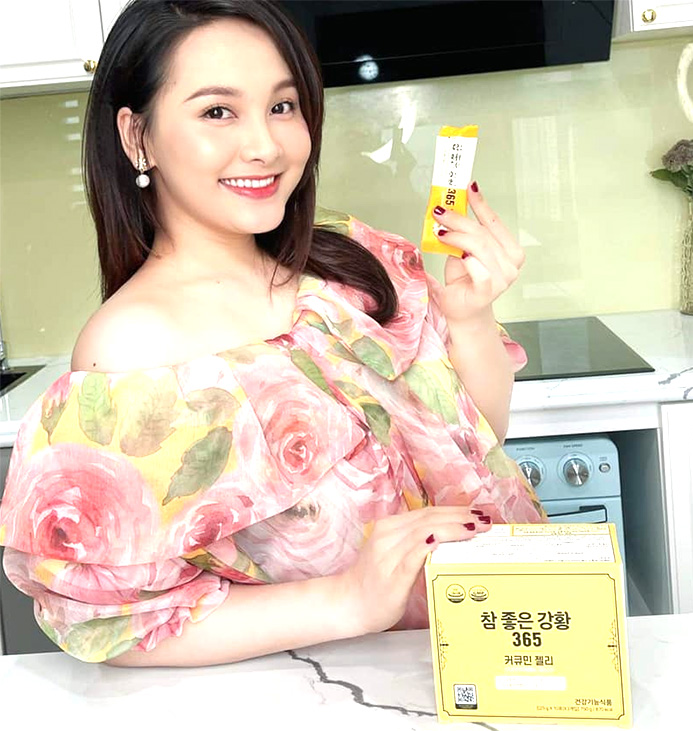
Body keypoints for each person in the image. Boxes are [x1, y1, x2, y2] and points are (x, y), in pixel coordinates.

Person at [0, 0, 546, 668]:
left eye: (282, 106)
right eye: (217, 111)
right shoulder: (131, 349)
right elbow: (117, 624)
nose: (266, 144)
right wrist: (348, 599)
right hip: (336, 692)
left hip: (500, 651)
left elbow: (472, 447)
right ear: (137, 136)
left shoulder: (349, 259)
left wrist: (470, 318)